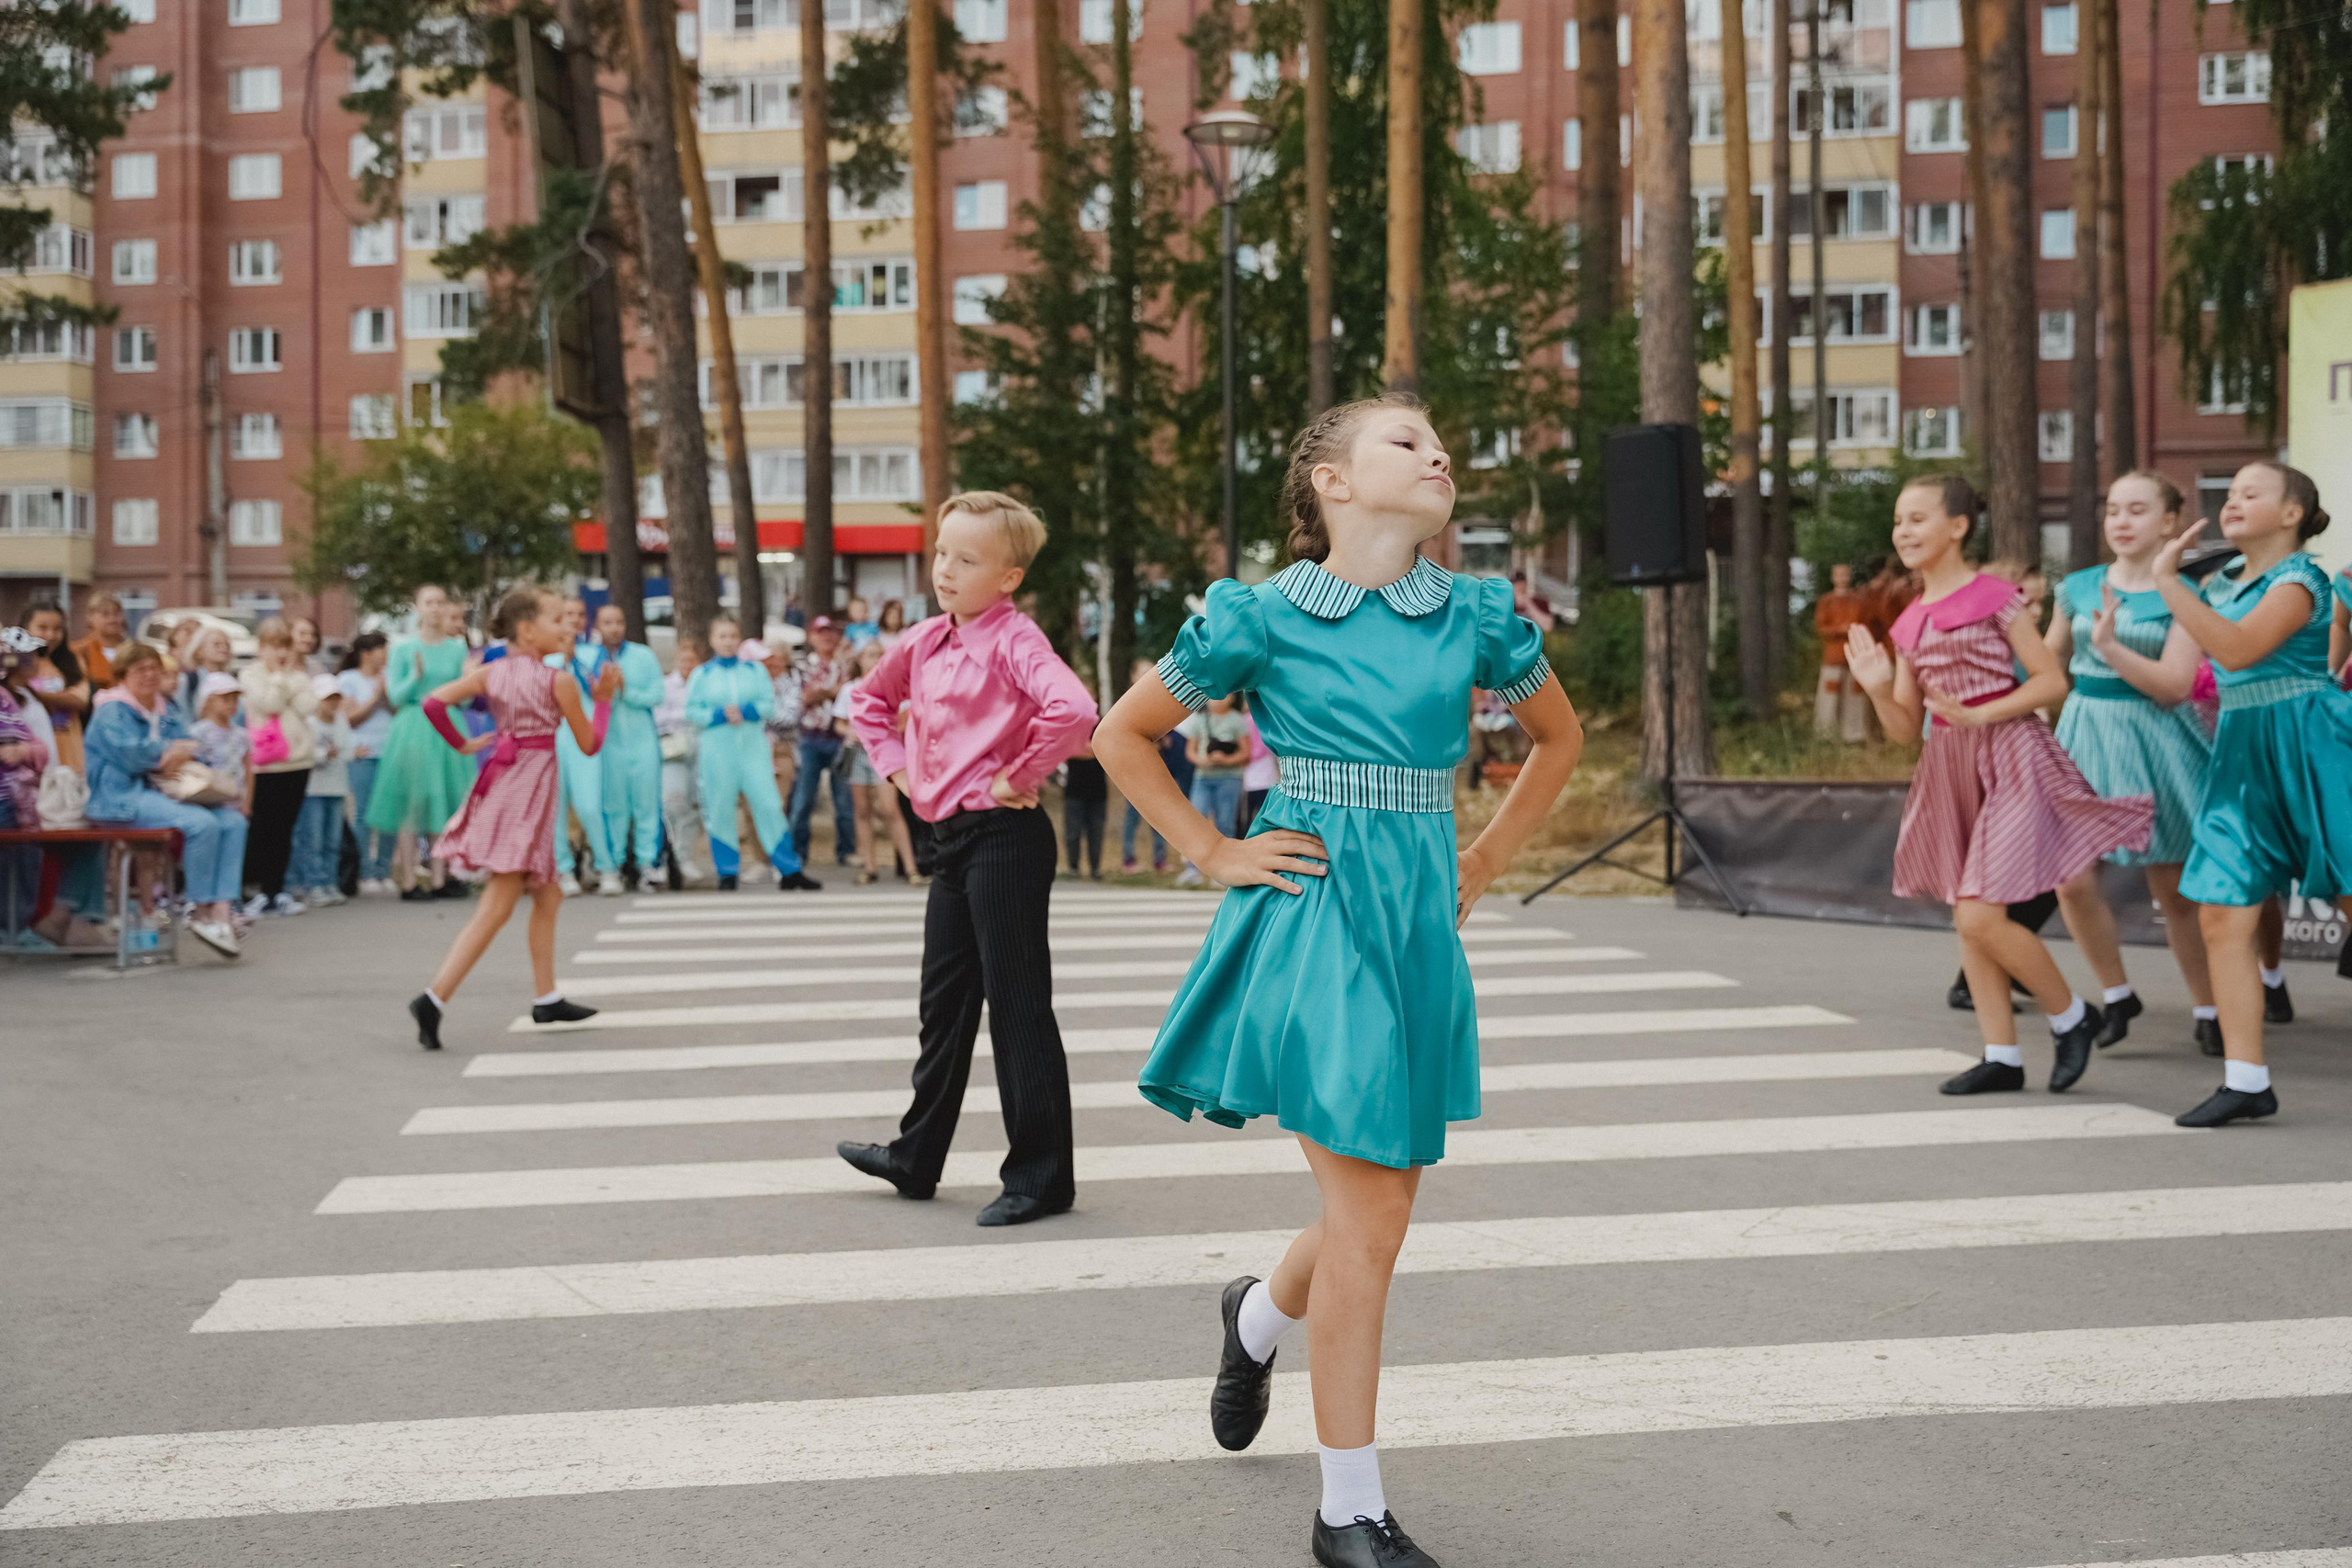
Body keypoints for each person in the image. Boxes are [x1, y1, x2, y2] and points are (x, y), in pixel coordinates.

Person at [1094, 395, 1580, 1567]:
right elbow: (1123, 734)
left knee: (1381, 1195)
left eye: (1437, 438)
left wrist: (1484, 859)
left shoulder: (1472, 614)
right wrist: (1211, 851)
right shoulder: (1258, 616)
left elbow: (1558, 742)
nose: (1437, 451)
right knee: (1374, 1212)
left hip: (1415, 923)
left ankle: (1256, 1314)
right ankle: (1347, 1509)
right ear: (1332, 482)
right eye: (1405, 440)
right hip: (1311, 918)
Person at [837, 490, 1098, 1229]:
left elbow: (1075, 712)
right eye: (942, 552)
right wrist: (897, 771)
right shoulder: (923, 640)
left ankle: (1041, 1177)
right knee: (942, 1006)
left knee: (1016, 1009)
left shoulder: (1017, 641)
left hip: (1005, 839)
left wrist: (1018, 774)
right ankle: (915, 1157)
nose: (946, 569)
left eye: (968, 558)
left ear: (1008, 577)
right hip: (948, 838)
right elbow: (868, 703)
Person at [1845, 474, 2154, 1099]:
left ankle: (2072, 1017)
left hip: (2011, 756)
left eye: (1917, 519)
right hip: (1947, 766)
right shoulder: (1909, 623)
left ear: (1957, 527)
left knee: (1979, 912)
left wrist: (1981, 714)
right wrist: (1878, 686)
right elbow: (1906, 729)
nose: (1903, 531)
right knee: (1971, 920)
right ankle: (2002, 1054)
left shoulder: (1996, 597)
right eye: (1899, 521)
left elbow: (2050, 680)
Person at [2152, 460, 2352, 1125]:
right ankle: (2246, 1079)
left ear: (2293, 513)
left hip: (2312, 744)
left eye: (2250, 493)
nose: (2232, 501)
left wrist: (2167, 583)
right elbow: (2208, 660)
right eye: (2229, 493)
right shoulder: (2225, 581)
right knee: (2221, 909)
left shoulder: (2301, 578)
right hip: (2242, 751)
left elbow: (2236, 651)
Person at [2044, 471, 2220, 1053]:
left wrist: (2114, 649)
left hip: (2157, 739)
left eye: (2138, 510)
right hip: (2083, 734)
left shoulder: (2187, 595)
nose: (2121, 520)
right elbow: (2049, 669)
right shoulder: (2075, 587)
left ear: (2170, 521)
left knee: (2173, 893)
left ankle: (2209, 1009)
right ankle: (2118, 995)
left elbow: (2173, 686)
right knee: (2069, 881)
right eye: (2113, 508)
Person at [406, 586, 620, 1050]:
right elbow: (589, 744)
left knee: (548, 894)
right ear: (527, 630)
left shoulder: (492, 672)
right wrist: (602, 700)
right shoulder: (556, 681)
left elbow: (433, 703)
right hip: (530, 793)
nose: (566, 626)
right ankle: (434, 996)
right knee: (498, 904)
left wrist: (461, 743)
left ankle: (547, 998)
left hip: (506, 785)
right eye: (555, 618)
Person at [83, 645, 246, 957]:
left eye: (154, 668)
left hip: (165, 793)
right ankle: (200, 911)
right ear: (122, 676)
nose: (149, 675)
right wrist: (167, 752)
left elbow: (192, 745)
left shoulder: (166, 708)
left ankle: (222, 912)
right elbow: (131, 756)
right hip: (121, 798)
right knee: (201, 824)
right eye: (139, 670)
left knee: (234, 821)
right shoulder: (111, 710)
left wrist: (170, 752)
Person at [685, 615, 821, 892]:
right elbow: (691, 711)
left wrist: (747, 711)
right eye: (722, 636)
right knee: (720, 807)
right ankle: (726, 871)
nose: (728, 642)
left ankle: (789, 868)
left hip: (752, 750)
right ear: (712, 640)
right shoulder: (702, 674)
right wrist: (718, 714)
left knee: (769, 805)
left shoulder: (754, 672)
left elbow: (768, 705)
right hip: (717, 750)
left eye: (733, 636)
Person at [368, 586, 474, 902]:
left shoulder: (456, 648)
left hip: (447, 722)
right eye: (429, 602)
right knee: (411, 804)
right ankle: (410, 880)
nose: (436, 608)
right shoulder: (403, 648)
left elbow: (464, 700)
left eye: (440, 602)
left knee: (444, 800)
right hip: (414, 724)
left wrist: (468, 682)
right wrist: (416, 676)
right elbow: (397, 696)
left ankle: (441, 878)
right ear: (417, 607)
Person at [580, 603, 664, 893]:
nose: (614, 627)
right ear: (597, 627)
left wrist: (627, 690)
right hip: (610, 743)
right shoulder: (588, 657)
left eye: (619, 621)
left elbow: (656, 694)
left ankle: (647, 864)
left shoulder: (642, 655)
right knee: (614, 805)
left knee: (646, 804)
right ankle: (614, 863)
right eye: (607, 622)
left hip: (643, 742)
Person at [239, 618, 320, 917]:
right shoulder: (250, 674)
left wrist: (285, 683)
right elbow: (268, 704)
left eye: (284, 646)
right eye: (273, 646)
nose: (280, 653)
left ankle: (277, 890)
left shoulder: (299, 676)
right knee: (262, 827)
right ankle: (256, 890)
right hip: (265, 765)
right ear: (261, 648)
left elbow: (308, 706)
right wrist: (279, 680)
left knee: (285, 829)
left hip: (297, 762)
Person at [546, 597, 615, 896]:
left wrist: (573, 660)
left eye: (579, 614)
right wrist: (560, 658)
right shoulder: (544, 655)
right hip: (551, 737)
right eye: (567, 615)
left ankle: (607, 866)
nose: (574, 619)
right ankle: (563, 869)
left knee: (589, 806)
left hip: (582, 736)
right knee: (555, 806)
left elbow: (598, 691)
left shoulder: (594, 653)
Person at [840, 640, 919, 885]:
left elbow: (907, 718)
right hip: (858, 754)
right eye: (868, 655)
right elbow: (840, 722)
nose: (873, 659)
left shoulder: (895, 688)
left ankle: (911, 868)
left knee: (889, 809)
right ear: (860, 660)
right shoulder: (850, 689)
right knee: (861, 810)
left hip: (885, 753)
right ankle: (870, 866)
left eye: (878, 655)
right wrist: (850, 732)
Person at [786, 616, 858, 866]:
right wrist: (830, 692)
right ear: (811, 636)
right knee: (804, 798)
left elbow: (849, 694)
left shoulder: (846, 665)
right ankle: (798, 851)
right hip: (810, 739)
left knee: (844, 800)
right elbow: (804, 697)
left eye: (831, 632)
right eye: (821, 632)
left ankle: (847, 850)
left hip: (838, 738)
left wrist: (823, 693)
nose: (826, 637)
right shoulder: (802, 666)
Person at [338, 633, 396, 893]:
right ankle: (365, 872)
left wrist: (389, 694)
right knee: (364, 813)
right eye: (380, 649)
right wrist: (375, 697)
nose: (385, 655)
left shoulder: (391, 677)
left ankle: (384, 871)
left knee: (390, 815)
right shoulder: (348, 680)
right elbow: (349, 718)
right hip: (363, 754)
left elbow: (401, 710)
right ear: (365, 653)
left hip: (392, 752)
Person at [1121, 658, 1190, 874]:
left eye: (1150, 672)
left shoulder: (1159, 700)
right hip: (1134, 769)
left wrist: (1164, 741)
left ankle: (1160, 860)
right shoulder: (1126, 703)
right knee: (1132, 815)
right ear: (1132, 677)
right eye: (1141, 672)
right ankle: (1128, 859)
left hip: (1160, 766)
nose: (1145, 676)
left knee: (1160, 815)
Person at [1174, 693, 1250, 886]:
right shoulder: (1200, 720)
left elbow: (1245, 753)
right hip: (1203, 778)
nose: (1218, 699)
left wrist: (1227, 760)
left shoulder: (1237, 721)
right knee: (1195, 820)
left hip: (1229, 779)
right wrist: (1203, 760)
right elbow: (1191, 751)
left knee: (1225, 823)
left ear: (1232, 698)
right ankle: (1192, 869)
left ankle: (1225, 872)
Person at [655, 637, 713, 888]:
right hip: (674, 749)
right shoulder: (666, 685)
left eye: (693, 660)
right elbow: (660, 718)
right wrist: (689, 715)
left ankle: (684, 855)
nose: (688, 664)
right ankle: (668, 854)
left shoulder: (706, 684)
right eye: (684, 659)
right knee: (673, 801)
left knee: (696, 804)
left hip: (702, 749)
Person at [292, 673, 353, 908]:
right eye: (328, 698)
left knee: (332, 840)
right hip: (314, 790)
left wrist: (346, 753)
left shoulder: (341, 721)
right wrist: (322, 755)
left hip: (337, 788)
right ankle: (312, 884)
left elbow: (347, 748)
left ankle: (330, 883)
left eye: (336, 698)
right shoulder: (308, 722)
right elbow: (305, 753)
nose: (333, 704)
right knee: (313, 840)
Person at [20, 600, 88, 773]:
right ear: (25, 627)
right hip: (29, 747)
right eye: (42, 627)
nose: (50, 635)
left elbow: (81, 700)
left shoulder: (72, 661)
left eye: (57, 629)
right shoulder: (15, 663)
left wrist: (35, 695)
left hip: (67, 744)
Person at [1813, 562, 1869, 741]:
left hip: (1854, 656)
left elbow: (1863, 624)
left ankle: (1853, 735)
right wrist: (1841, 629)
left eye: (1845, 574)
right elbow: (1821, 627)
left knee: (1854, 696)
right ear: (1833, 577)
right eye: (1838, 575)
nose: (1842, 578)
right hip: (1833, 658)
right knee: (1829, 696)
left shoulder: (1858, 600)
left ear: (1849, 576)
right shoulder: (1826, 601)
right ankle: (1825, 734)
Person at [71, 592, 134, 694]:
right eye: (105, 614)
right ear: (90, 617)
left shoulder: (132, 650)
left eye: (116, 613)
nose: (112, 619)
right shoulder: (79, 650)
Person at [1061, 742, 1107, 878]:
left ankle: (1095, 869)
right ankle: (1073, 868)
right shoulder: (1072, 727)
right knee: (1073, 833)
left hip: (1098, 793)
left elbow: (1106, 748)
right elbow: (1065, 749)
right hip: (1074, 792)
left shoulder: (1101, 726)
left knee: (1096, 833)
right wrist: (1093, 750)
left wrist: (1083, 749)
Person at [173, 626, 232, 728]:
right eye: (216, 644)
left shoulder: (231, 682)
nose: (223, 648)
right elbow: (182, 717)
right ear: (199, 650)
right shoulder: (189, 680)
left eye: (227, 645)